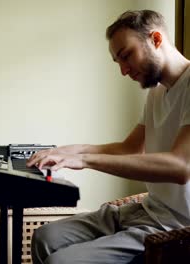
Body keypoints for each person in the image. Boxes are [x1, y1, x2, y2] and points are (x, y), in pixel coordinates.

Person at [27, 9, 190, 264]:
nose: (124, 70)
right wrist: (71, 151)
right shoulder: (157, 93)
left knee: (61, 262)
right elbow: (130, 148)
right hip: (146, 209)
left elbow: (181, 167)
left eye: (127, 56)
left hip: (174, 226)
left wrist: (87, 161)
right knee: (44, 237)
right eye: (118, 62)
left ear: (156, 39)